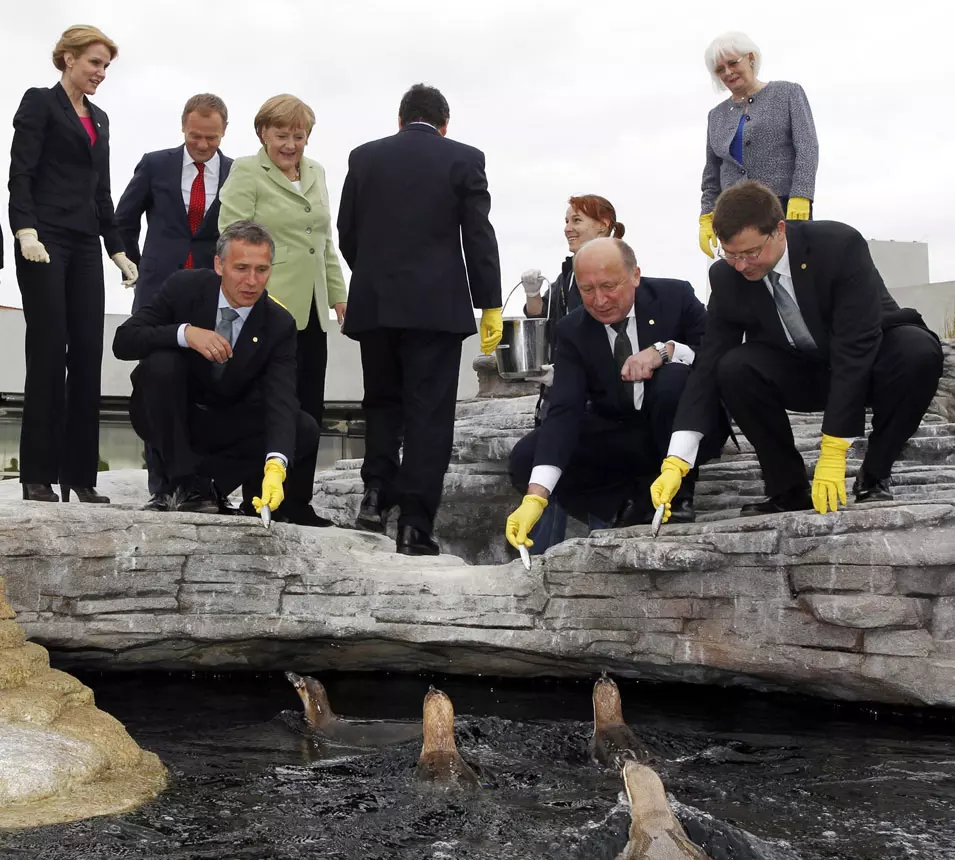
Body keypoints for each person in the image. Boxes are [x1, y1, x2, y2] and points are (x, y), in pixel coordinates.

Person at [654, 181, 943, 520]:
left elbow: (856, 345)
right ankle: (787, 488)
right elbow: (709, 365)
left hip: (869, 359)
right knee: (733, 367)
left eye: (751, 253)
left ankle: (875, 474)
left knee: (918, 351)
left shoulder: (839, 245)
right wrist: (678, 458)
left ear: (779, 230)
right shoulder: (727, 277)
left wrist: (834, 448)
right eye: (731, 254)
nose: (742, 265)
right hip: (801, 372)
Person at [338, 83, 503, 556]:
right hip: (436, 308)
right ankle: (414, 524)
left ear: (400, 119)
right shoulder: (464, 158)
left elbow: (347, 230)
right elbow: (478, 234)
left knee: (382, 403)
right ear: (444, 124)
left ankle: (374, 494)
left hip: (376, 303)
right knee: (429, 417)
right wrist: (488, 300)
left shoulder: (363, 156)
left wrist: (375, 273)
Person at [505, 238, 718, 554]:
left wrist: (668, 351)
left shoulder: (676, 297)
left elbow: (717, 355)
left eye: (608, 286)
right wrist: (536, 496)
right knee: (525, 458)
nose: (599, 300)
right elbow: (564, 410)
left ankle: (679, 494)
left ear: (635, 276)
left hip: (683, 428)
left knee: (673, 377)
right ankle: (621, 505)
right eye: (587, 289)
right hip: (624, 432)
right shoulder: (572, 329)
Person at [8, 25, 138, 504]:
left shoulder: (100, 118)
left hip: (85, 245)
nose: (101, 73)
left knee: (86, 356)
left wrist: (118, 249)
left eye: (106, 66)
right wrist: (24, 231)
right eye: (94, 63)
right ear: (67, 58)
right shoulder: (39, 103)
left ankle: (81, 477)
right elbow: (20, 174)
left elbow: (100, 190)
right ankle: (37, 475)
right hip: (44, 241)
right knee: (47, 354)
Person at [112, 220, 318, 517]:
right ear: (219, 265)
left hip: (228, 425)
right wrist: (184, 334)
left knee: (304, 427)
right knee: (161, 364)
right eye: (241, 268)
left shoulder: (279, 323)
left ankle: (206, 490)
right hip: (172, 417)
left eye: (262, 270)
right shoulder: (183, 286)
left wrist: (276, 466)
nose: (252, 281)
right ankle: (183, 482)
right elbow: (124, 342)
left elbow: (281, 400)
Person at [218, 94, 347, 527]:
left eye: (299, 135)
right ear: (262, 133)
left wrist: (337, 292)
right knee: (270, 403)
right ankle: (258, 497)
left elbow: (323, 241)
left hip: (311, 310)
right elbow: (231, 232)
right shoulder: (246, 171)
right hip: (266, 306)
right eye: (281, 135)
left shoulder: (318, 173)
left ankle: (298, 502)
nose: (291, 144)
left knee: (309, 406)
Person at [115, 93, 233, 510]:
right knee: (156, 378)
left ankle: (200, 484)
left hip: (209, 291)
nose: (202, 145)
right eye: (195, 136)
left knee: (201, 384)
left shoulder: (237, 173)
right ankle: (162, 487)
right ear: (183, 127)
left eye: (211, 138)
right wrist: (134, 264)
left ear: (224, 132)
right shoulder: (155, 163)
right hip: (159, 289)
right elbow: (124, 218)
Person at [698, 32, 818, 259]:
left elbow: (807, 148)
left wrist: (801, 195)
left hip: (782, 207)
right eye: (720, 69)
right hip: (733, 213)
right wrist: (707, 215)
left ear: (750, 58)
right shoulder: (716, 116)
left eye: (733, 63)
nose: (728, 72)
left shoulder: (788, 93)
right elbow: (712, 173)